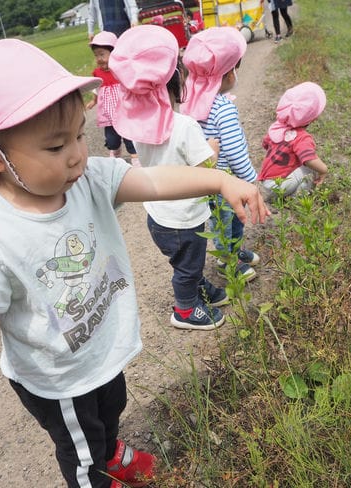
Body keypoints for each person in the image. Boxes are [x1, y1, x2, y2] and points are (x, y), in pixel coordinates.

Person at [0, 39, 269, 488]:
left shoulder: (90, 180)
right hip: (59, 379)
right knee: (79, 448)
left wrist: (218, 179)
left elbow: (154, 179)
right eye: (57, 147)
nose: (78, 153)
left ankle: (111, 451)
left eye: (80, 134)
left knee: (111, 406)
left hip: (101, 348)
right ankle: (95, 473)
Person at [110, 25, 259, 330]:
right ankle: (185, 309)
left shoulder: (141, 126)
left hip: (158, 216)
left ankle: (201, 287)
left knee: (185, 263)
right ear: (176, 81)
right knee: (187, 266)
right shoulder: (185, 125)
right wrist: (213, 150)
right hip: (184, 218)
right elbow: (205, 169)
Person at [181, 26, 261, 282]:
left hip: (207, 178)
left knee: (222, 220)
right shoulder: (223, 108)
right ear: (227, 75)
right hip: (227, 179)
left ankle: (233, 250)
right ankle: (229, 260)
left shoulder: (191, 101)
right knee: (230, 220)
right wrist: (249, 177)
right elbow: (235, 150)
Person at [257, 81, 328, 200]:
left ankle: (285, 194)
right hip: (277, 187)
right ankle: (297, 200)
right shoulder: (302, 138)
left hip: (264, 184)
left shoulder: (276, 128)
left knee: (300, 166)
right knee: (310, 170)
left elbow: (265, 144)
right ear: (314, 118)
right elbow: (309, 159)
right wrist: (324, 170)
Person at [86, 31, 140, 167]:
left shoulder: (120, 69)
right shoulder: (96, 73)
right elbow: (97, 90)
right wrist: (94, 101)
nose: (99, 58)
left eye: (102, 54)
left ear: (114, 53)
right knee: (112, 140)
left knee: (129, 137)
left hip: (125, 113)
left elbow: (130, 84)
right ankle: (115, 158)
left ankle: (136, 159)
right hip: (108, 116)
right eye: (96, 55)